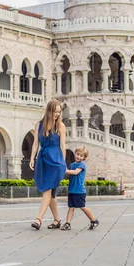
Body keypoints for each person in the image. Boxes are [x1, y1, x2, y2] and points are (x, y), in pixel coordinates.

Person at [29, 99, 66, 230]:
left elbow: (62, 145)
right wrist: (32, 158)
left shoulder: (60, 126)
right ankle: (57, 220)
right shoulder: (38, 125)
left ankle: (38, 219)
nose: (57, 114)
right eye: (55, 112)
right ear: (49, 110)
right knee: (51, 194)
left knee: (47, 190)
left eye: (59, 112)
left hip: (56, 161)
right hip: (43, 159)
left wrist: (64, 163)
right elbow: (35, 144)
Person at [60, 146, 99, 231]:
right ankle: (68, 223)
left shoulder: (82, 165)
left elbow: (75, 172)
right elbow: (69, 175)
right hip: (72, 190)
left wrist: (65, 170)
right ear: (75, 154)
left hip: (79, 191)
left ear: (84, 158)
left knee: (82, 206)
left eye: (81, 156)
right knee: (71, 207)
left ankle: (94, 220)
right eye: (77, 154)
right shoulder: (72, 165)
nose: (79, 157)